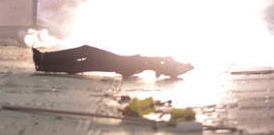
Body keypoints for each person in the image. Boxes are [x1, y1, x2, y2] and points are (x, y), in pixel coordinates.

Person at [32, 45, 193, 78]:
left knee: (87, 52)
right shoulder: (166, 66)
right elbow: (162, 67)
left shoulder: (170, 66)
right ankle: (44, 64)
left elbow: (168, 67)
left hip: (125, 64)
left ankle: (45, 60)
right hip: (126, 65)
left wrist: (180, 66)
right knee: (85, 63)